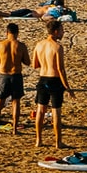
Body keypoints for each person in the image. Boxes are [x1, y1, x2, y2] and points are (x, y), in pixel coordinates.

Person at [30, 18, 69, 151]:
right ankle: (58, 142)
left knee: (40, 111)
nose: (63, 33)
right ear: (56, 31)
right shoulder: (57, 47)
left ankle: (38, 140)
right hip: (54, 80)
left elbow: (35, 64)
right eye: (62, 30)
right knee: (56, 112)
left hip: (42, 79)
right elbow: (60, 69)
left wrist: (46, 62)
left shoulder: (39, 45)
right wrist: (67, 87)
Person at [0, 25, 28, 135]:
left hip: (4, 75)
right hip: (16, 75)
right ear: (17, 33)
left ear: (7, 32)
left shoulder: (1, 45)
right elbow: (27, 61)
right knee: (16, 102)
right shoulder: (21, 46)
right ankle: (14, 129)